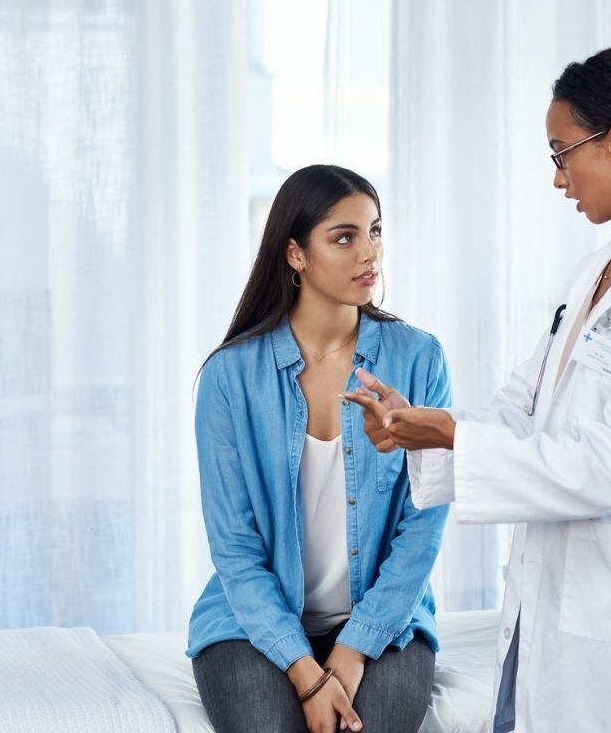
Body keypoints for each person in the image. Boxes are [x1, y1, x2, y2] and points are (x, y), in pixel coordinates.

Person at [348, 47, 611, 732]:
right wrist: (423, 422)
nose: (559, 178)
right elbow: (523, 408)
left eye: (563, 153)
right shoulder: (595, 272)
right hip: (552, 618)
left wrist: (451, 435)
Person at [187, 164, 451, 733]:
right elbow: (235, 548)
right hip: (250, 625)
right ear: (296, 254)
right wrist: (306, 674)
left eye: (375, 231)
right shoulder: (230, 378)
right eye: (344, 237)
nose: (369, 253)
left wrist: (353, 650)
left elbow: (424, 524)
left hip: (384, 620)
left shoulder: (419, 359)